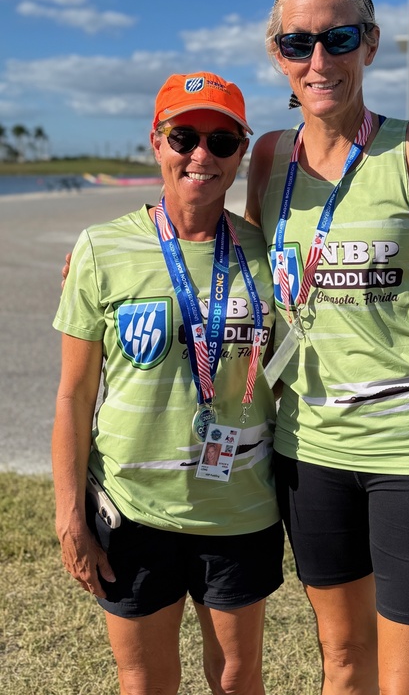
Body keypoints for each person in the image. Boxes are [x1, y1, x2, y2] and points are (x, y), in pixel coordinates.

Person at [245, 0, 409, 695]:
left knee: (408, 682)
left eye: (339, 38)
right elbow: (239, 263)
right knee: (344, 663)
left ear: (371, 43)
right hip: (308, 450)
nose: (318, 60)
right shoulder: (268, 157)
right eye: (297, 43)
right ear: (277, 54)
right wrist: (120, 246)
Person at [52, 71, 283, 695]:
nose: (201, 155)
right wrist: (70, 515)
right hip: (132, 506)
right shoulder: (101, 249)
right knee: (146, 681)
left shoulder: (267, 253)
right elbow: (73, 397)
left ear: (241, 152)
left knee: (236, 678)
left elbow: (297, 360)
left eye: (221, 141)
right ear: (156, 143)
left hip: (239, 506)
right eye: (184, 137)